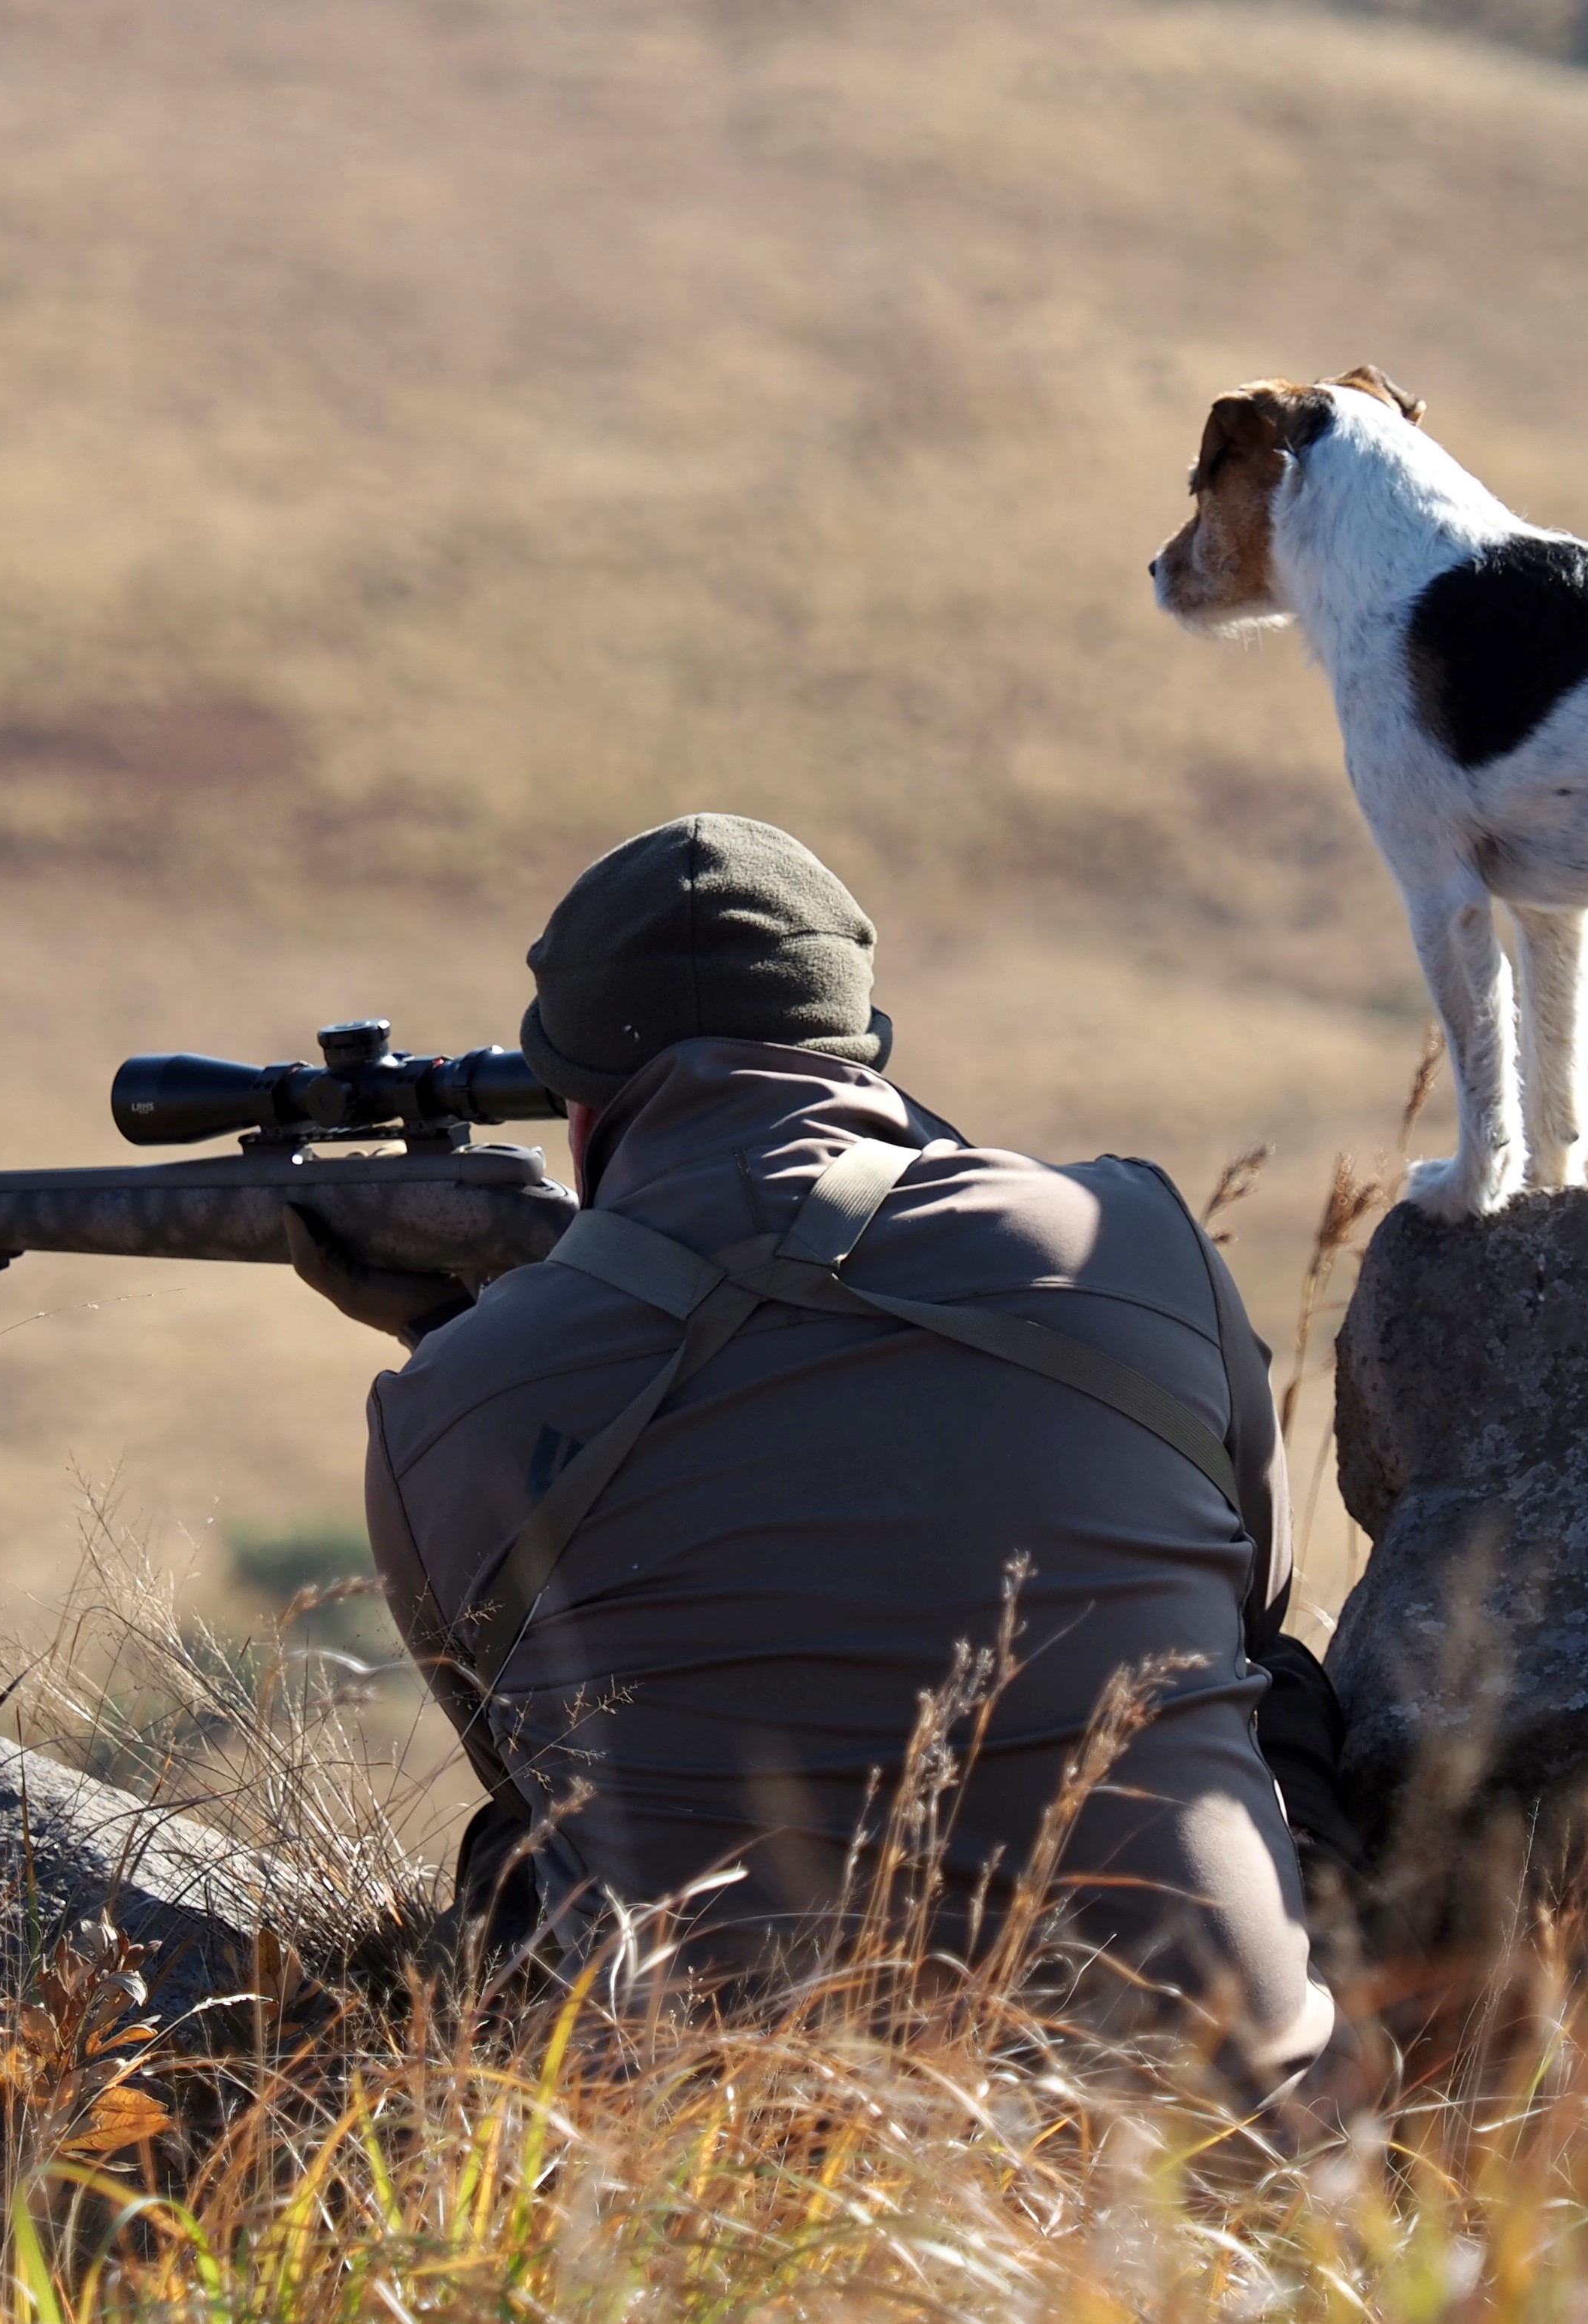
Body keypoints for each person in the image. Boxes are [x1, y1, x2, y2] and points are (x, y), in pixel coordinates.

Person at [285, 814, 1362, 2089]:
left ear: (576, 1111)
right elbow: (1246, 1597)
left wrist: (471, 1353)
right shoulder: (1131, 1229)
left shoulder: (440, 1411)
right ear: (865, 1048)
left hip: (733, 2181)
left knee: (518, 1852)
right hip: (1217, 2157)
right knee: (1271, 1685)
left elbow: (541, 1753)